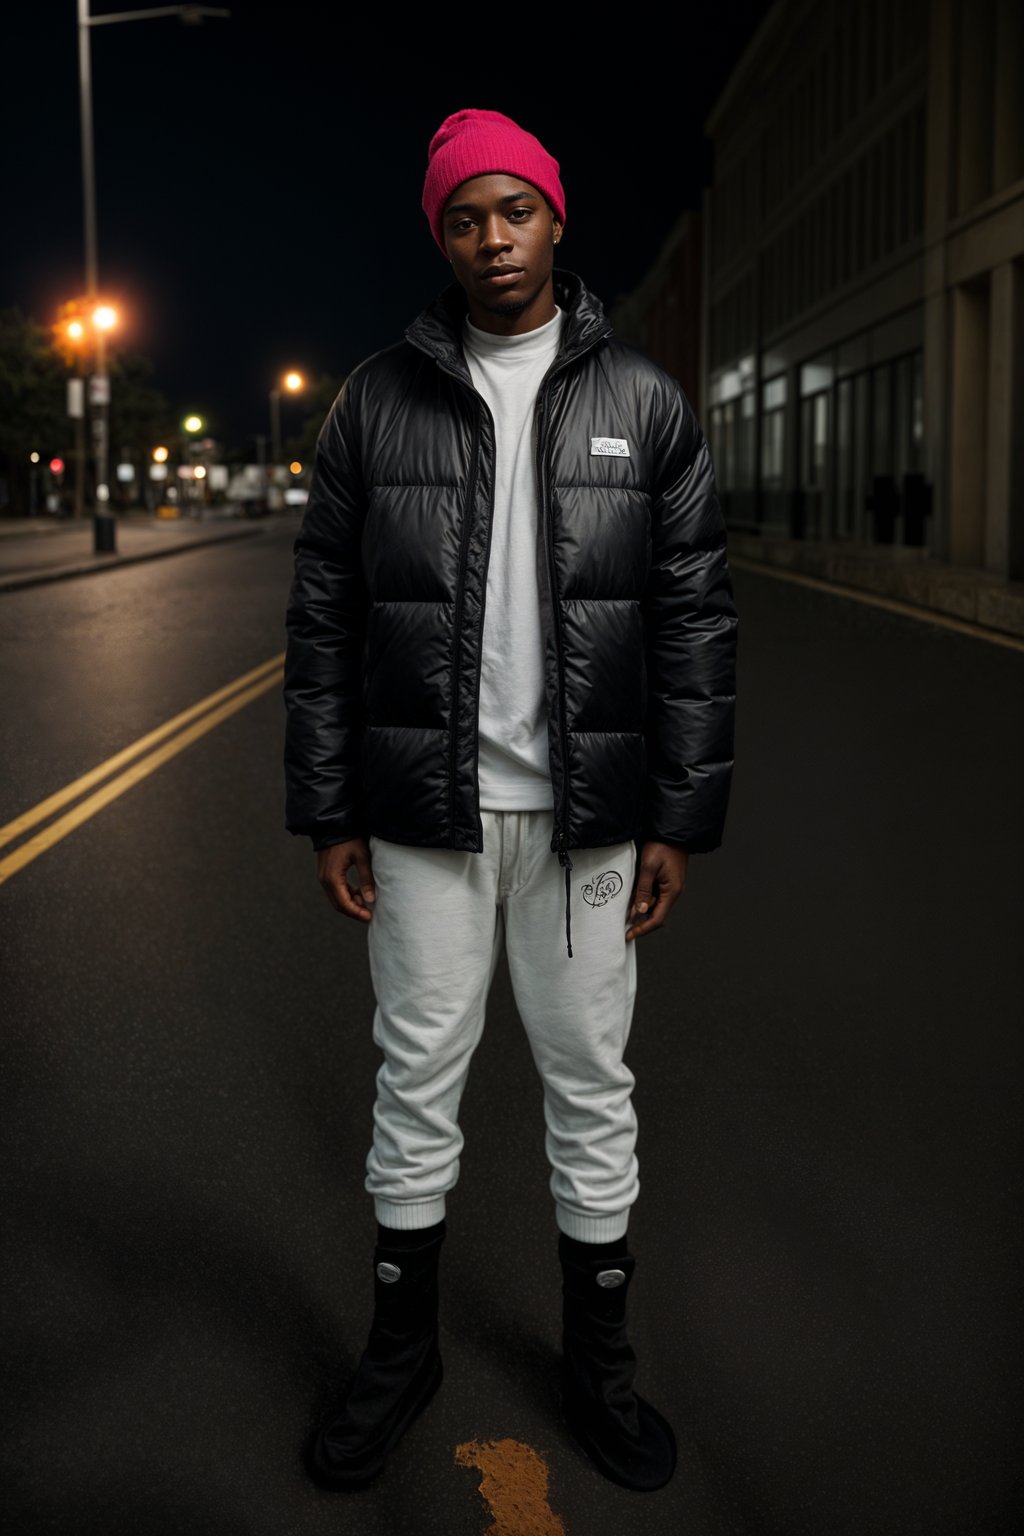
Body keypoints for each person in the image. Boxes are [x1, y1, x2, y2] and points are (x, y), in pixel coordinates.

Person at [283, 107, 738, 1495]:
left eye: (514, 211)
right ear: (442, 234)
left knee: (589, 1084)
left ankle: (598, 1368)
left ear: (556, 220)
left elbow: (695, 621)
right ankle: (400, 1349)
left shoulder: (645, 406)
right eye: (464, 218)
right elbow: (322, 617)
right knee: (414, 1079)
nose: (493, 239)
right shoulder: (377, 401)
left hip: (588, 822)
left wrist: (675, 815)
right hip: (426, 812)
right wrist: (329, 806)